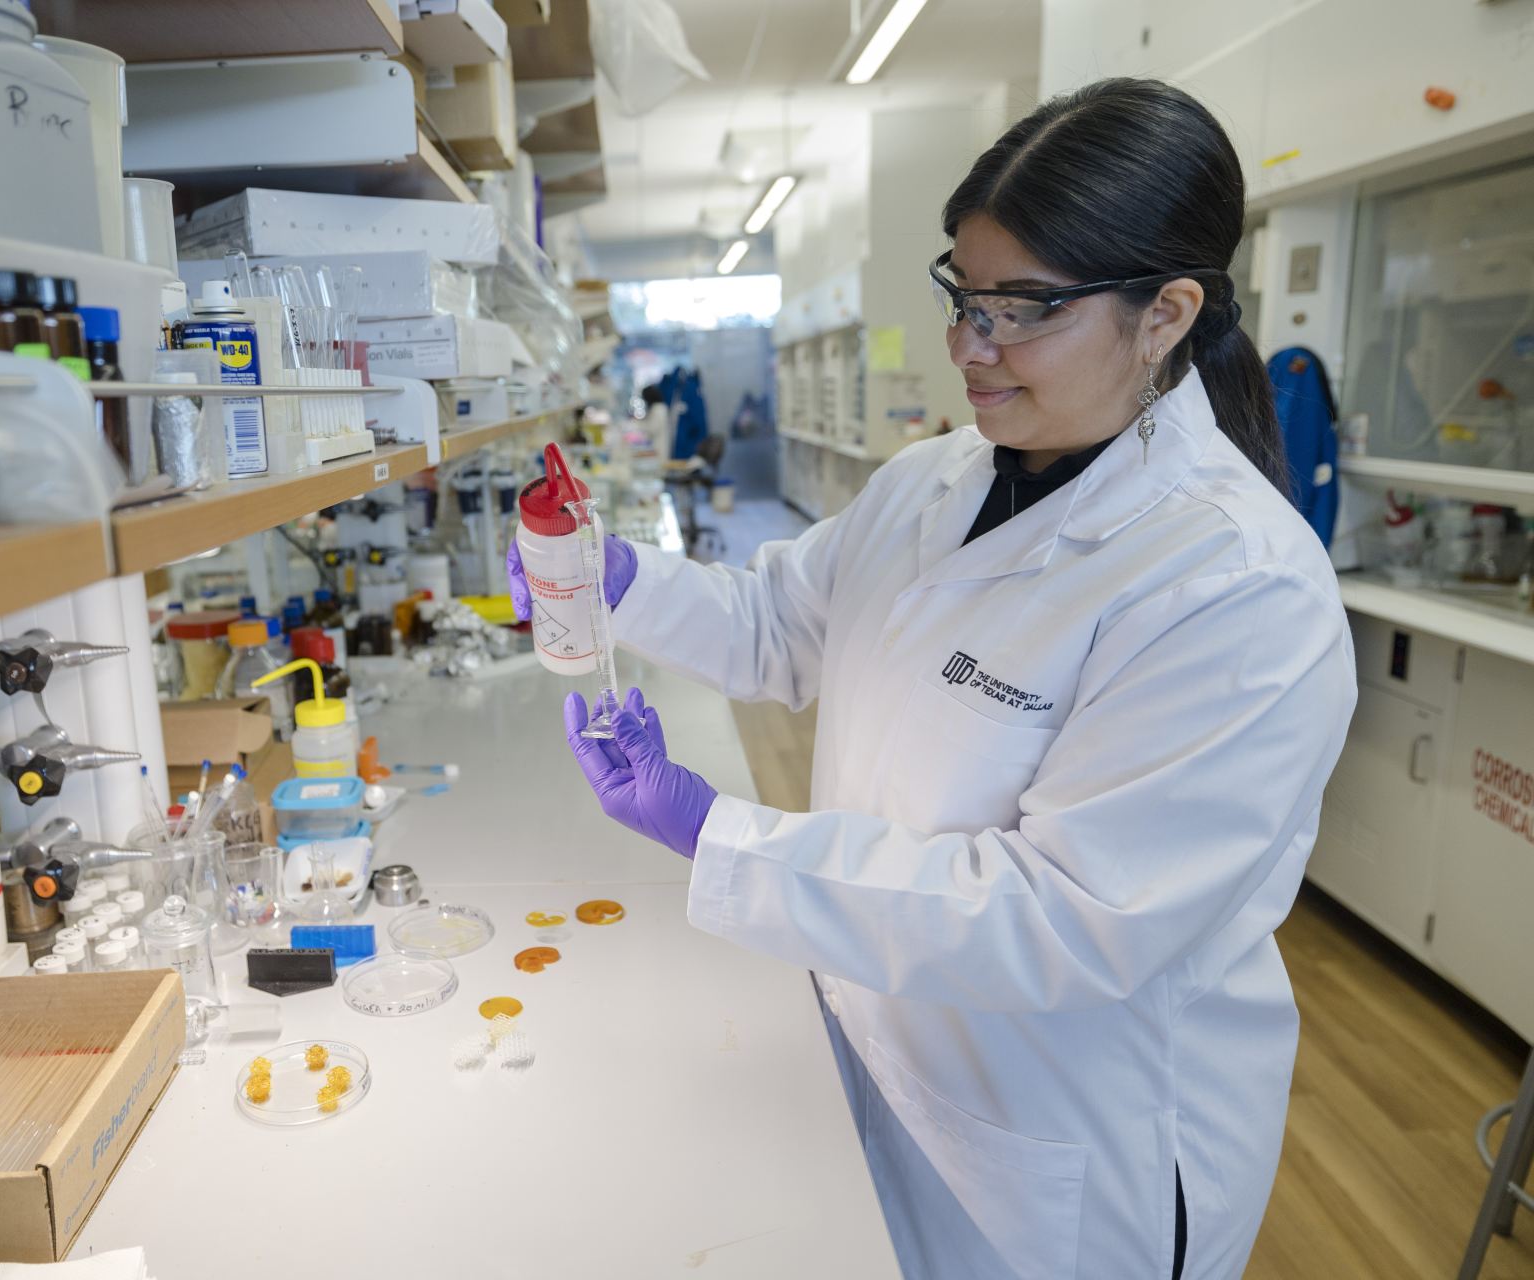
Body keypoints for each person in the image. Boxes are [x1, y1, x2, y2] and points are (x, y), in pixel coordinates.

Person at [507, 79, 1356, 1280]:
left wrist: (722, 836)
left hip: (1059, 1140)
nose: (969, 344)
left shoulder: (1235, 584)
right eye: (964, 296)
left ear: (1166, 313)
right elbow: (779, 625)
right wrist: (612, 582)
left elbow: (1064, 916)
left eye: (1023, 309)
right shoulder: (933, 479)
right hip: (884, 1037)